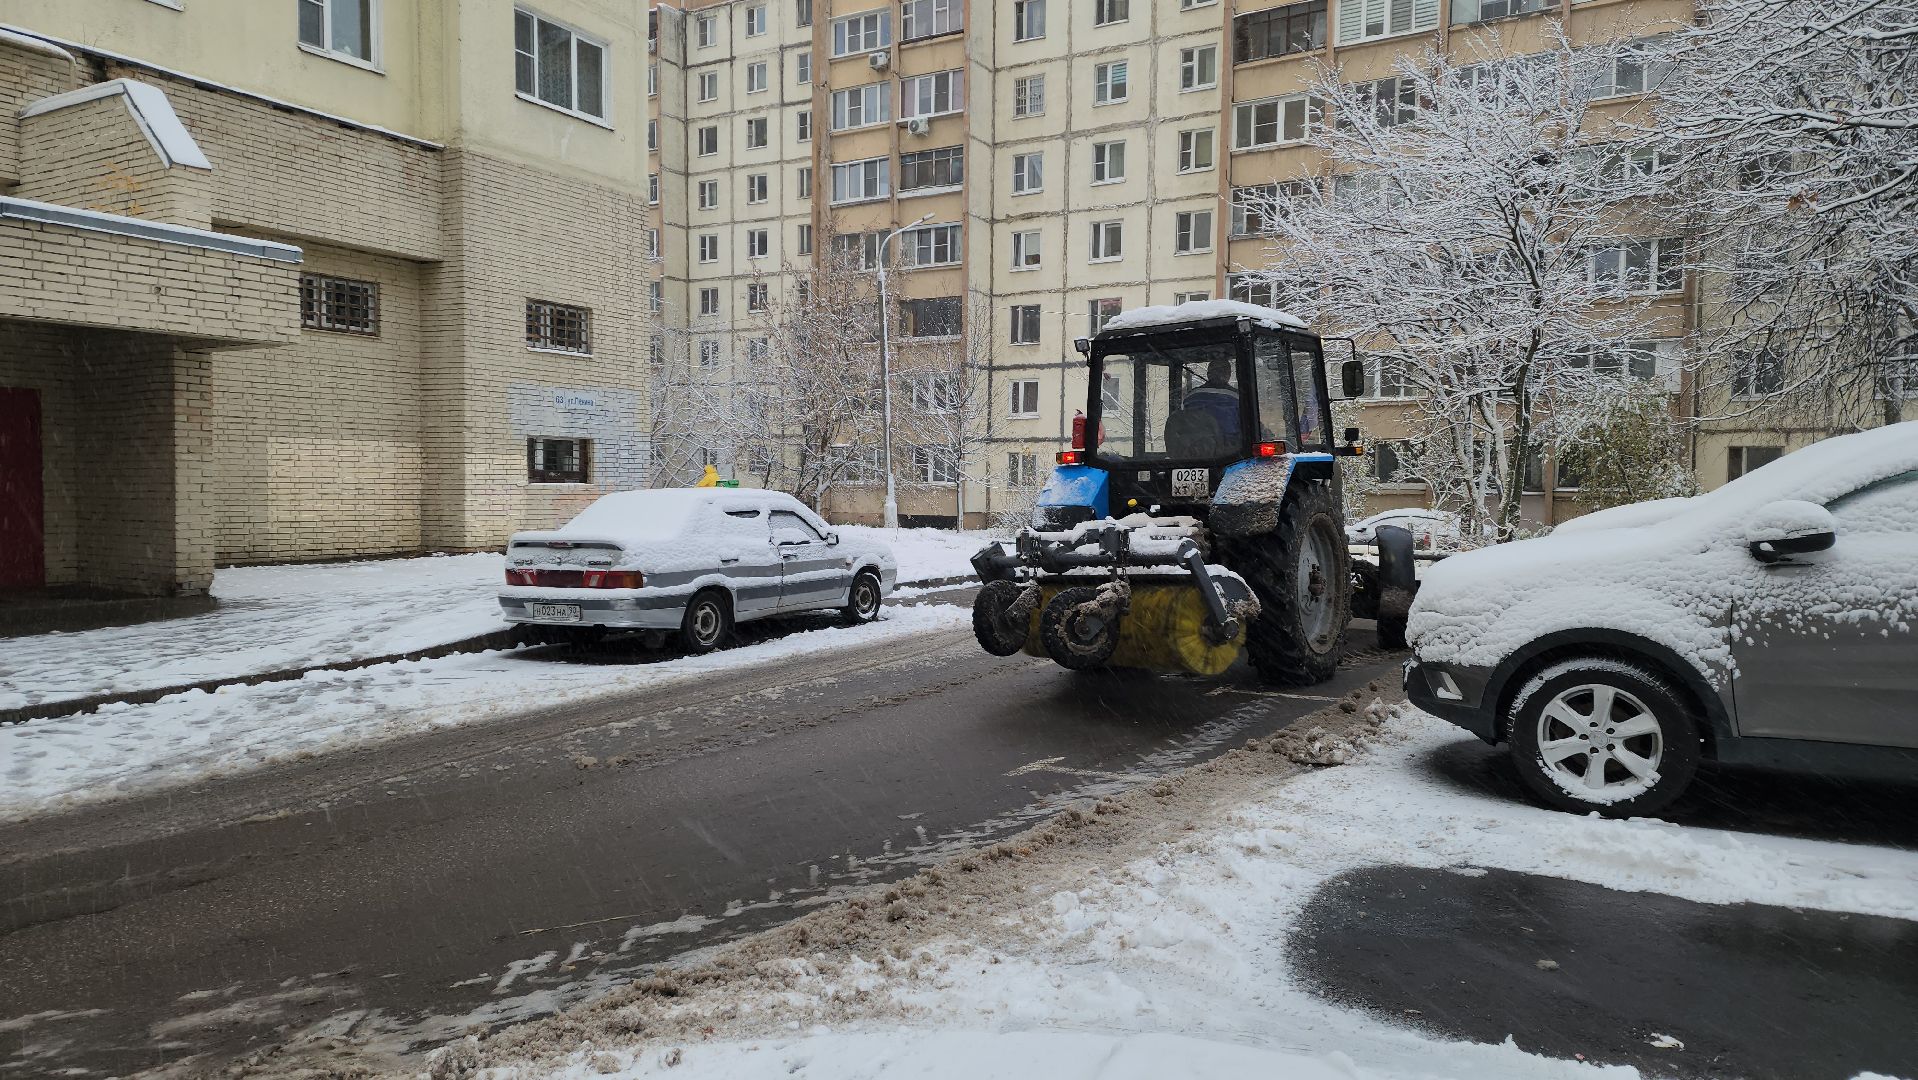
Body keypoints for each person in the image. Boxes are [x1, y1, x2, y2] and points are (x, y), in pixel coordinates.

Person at [1182, 359, 1241, 444]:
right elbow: (1251, 425)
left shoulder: (1191, 397)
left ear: (1209, 374)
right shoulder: (1237, 397)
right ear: (1227, 374)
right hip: (1229, 449)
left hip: (1197, 450)